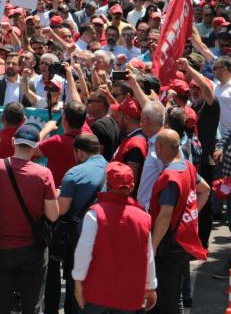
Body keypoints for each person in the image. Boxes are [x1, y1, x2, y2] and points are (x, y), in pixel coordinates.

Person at [0, 124, 59, 314]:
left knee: (0, 302)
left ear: (12, 142)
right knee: (31, 303)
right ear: (36, 147)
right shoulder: (43, 174)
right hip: (32, 250)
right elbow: (53, 215)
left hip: (0, 246)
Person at [72, 162, 158, 314]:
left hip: (96, 291)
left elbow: (83, 252)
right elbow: (148, 256)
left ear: (108, 185)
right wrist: (151, 287)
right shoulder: (144, 218)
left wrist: (78, 281)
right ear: (131, 187)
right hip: (128, 293)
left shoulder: (94, 214)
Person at [149, 129, 209, 314]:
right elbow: (205, 189)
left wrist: (152, 247)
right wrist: (189, 216)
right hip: (182, 240)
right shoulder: (188, 167)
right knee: (174, 296)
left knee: (167, 301)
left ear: (159, 148)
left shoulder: (170, 178)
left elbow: (165, 214)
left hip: (169, 245)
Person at [53, 134, 107, 314]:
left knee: (77, 286)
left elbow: (61, 209)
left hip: (80, 239)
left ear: (80, 153)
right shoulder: (113, 167)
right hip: (107, 237)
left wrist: (55, 195)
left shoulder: (74, 173)